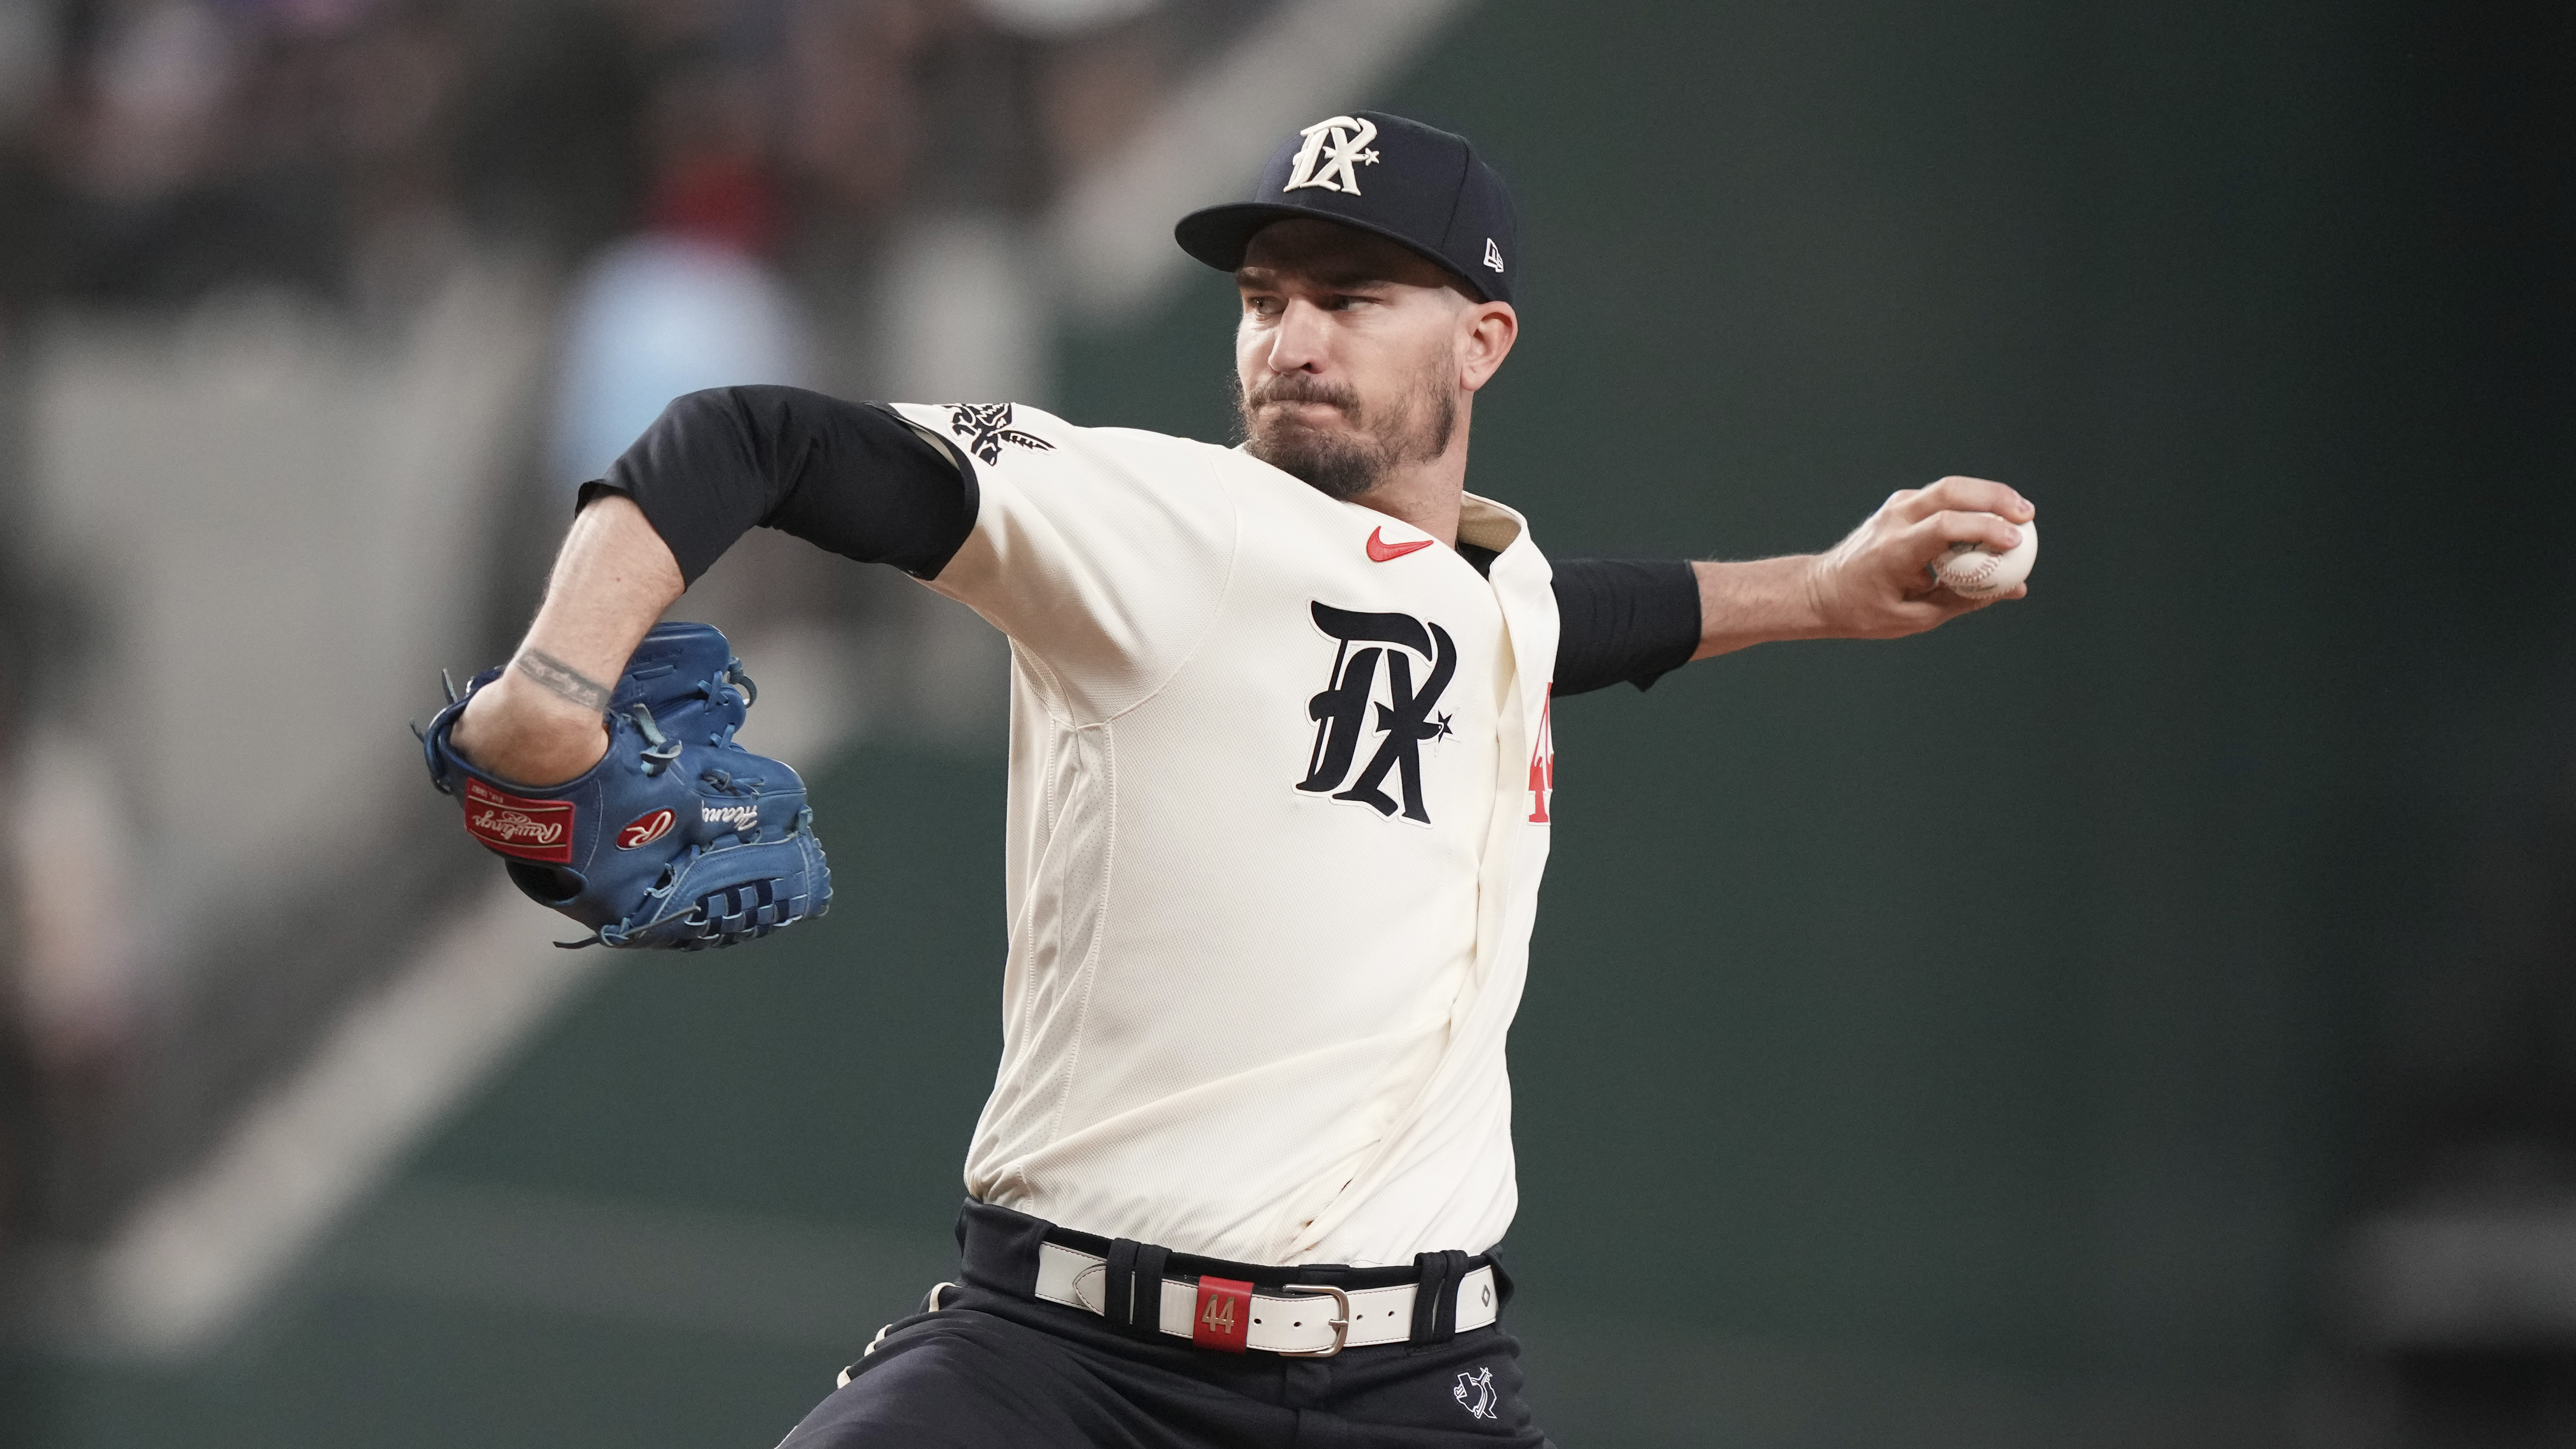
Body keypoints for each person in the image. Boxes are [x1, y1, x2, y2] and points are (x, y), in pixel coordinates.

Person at [447, 111, 2032, 1448]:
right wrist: (553, 694)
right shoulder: (1165, 526)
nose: (1291, 336)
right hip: (1071, 1365)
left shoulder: (1492, 593)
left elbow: (1579, 622)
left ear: (1483, 340)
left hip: (1418, 1382)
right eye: (1268, 296)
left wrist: (1823, 591)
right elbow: (758, 435)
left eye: (1351, 296)